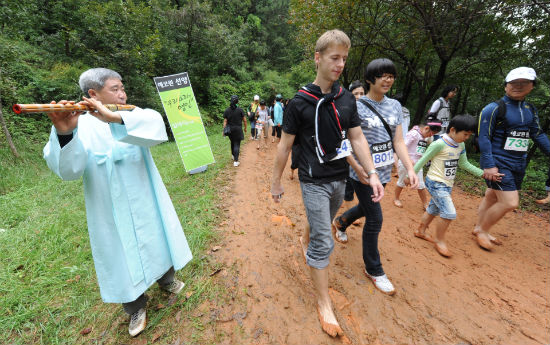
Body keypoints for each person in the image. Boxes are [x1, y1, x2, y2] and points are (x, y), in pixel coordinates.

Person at [43, 68, 192, 337]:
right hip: (107, 204)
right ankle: (135, 306)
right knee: (118, 251)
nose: (122, 94)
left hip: (142, 192)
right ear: (93, 93)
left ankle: (167, 280)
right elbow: (69, 171)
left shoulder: (132, 116)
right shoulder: (77, 122)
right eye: (115, 89)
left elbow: (157, 126)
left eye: (122, 88)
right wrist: (64, 133)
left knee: (155, 232)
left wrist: (115, 118)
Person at [270, 29, 383, 338]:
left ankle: (308, 237)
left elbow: (355, 138)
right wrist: (276, 181)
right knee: (325, 239)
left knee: (320, 220)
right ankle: (324, 303)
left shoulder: (346, 98)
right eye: (335, 58)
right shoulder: (299, 102)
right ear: (318, 58)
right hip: (312, 180)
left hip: (338, 179)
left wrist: (368, 171)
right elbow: (284, 146)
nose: (340, 64)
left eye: (344, 59)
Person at [332, 58, 418, 296]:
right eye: (382, 75)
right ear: (370, 79)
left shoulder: (395, 106)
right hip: (361, 173)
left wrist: (409, 168)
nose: (388, 80)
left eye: (391, 75)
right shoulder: (356, 106)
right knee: (375, 218)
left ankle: (341, 222)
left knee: (368, 208)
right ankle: (374, 269)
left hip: (383, 172)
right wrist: (357, 167)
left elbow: (398, 141)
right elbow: (345, 141)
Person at [475, 67, 550, 249]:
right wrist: (489, 165)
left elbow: (537, 134)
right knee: (510, 202)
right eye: (513, 83)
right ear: (506, 86)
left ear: (531, 86)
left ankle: (478, 227)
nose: (518, 86)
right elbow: (483, 137)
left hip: (518, 162)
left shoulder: (530, 109)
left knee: (492, 196)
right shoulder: (493, 109)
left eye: (523, 83)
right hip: (499, 162)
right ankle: (483, 231)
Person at [413, 115, 487, 257]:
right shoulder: (439, 144)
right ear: (453, 130)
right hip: (435, 182)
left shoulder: (461, 145)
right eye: (465, 134)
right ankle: (439, 240)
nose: (467, 138)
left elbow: (463, 164)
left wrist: (482, 173)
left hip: (447, 184)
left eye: (469, 135)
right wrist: (410, 176)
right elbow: (423, 160)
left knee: (433, 209)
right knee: (449, 213)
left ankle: (420, 231)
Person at [394, 115, 442, 209]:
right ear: (426, 128)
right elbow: (402, 147)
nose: (430, 136)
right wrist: (408, 159)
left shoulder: (424, 137)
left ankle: (425, 203)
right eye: (431, 134)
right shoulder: (413, 134)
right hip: (405, 164)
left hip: (418, 165)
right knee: (402, 182)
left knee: (420, 185)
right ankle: (396, 198)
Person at [343, 81, 366, 201]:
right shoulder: (345, 111)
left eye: (362, 93)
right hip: (347, 154)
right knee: (348, 185)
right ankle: (346, 216)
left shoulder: (368, 112)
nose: (359, 96)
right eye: (356, 93)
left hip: (362, 154)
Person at [223, 95, 247, 167]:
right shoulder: (240, 110)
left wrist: (224, 130)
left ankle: (233, 155)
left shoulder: (227, 110)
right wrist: (245, 128)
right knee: (237, 144)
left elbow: (225, 121)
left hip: (230, 130)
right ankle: (236, 161)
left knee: (232, 142)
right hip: (238, 129)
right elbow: (245, 120)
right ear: (237, 102)